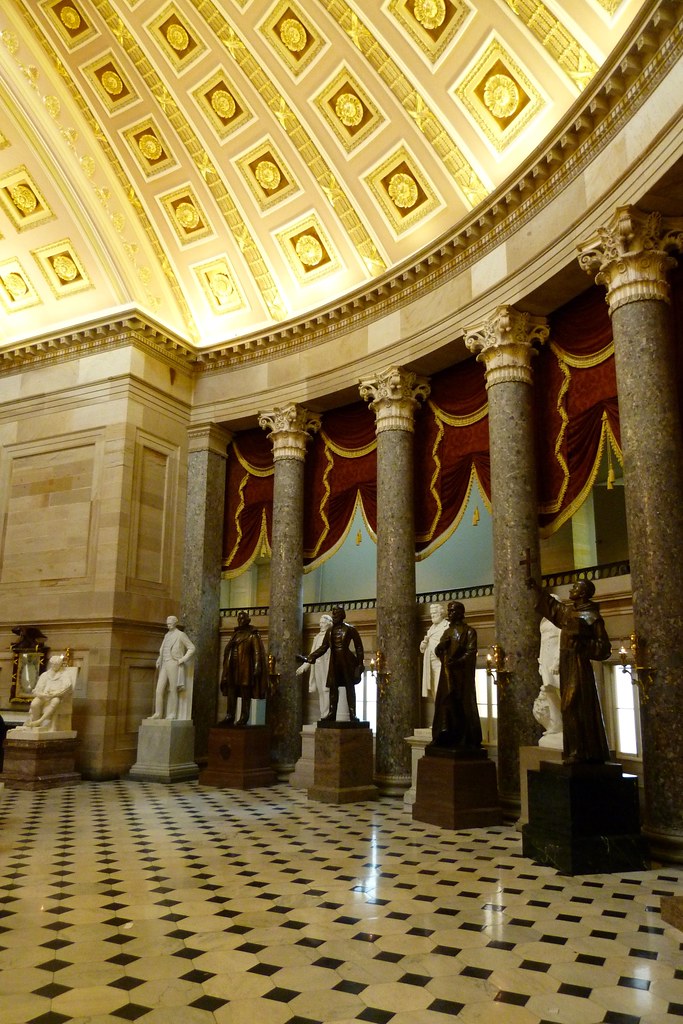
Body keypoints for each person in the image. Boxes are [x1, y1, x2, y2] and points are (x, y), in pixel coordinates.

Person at [527, 577, 611, 763]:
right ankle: (574, 751)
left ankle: (582, 751)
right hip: (567, 664)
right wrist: (536, 589)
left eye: (575, 588)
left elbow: (604, 648)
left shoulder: (592, 616)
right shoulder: (570, 613)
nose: (571, 590)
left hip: (579, 666)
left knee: (573, 704)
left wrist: (582, 645)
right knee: (569, 706)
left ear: (582, 593)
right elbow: (553, 609)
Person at [431, 601, 481, 750]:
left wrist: (457, 662)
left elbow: (471, 653)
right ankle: (445, 734)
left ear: (460, 613)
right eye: (449, 611)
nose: (450, 614)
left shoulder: (469, 632)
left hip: (462, 677)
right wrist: (441, 647)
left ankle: (464, 738)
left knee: (461, 705)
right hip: (447, 675)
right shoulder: (447, 632)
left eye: (452, 611)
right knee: (445, 703)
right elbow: (438, 651)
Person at [305, 606, 364, 722]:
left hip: (347, 661)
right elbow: (324, 647)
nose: (334, 616)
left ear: (342, 616)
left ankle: (352, 713)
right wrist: (311, 656)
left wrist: (360, 663)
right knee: (333, 687)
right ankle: (332, 713)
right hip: (334, 661)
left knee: (349, 687)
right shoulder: (330, 631)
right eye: (333, 614)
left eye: (336, 614)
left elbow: (359, 647)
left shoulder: (351, 629)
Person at [220, 611, 268, 726]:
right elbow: (228, 650)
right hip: (232, 666)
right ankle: (230, 715)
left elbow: (257, 652)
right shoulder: (235, 634)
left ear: (247, 620)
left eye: (242, 619)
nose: (240, 621)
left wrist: (257, 666)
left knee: (245, 691)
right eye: (239, 619)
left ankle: (244, 716)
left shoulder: (252, 634)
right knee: (232, 691)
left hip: (245, 667)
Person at [152, 616, 196, 721]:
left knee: (173, 689)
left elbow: (192, 648)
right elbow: (163, 649)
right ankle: (158, 713)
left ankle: (172, 714)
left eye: (170, 623)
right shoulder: (166, 635)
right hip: (164, 663)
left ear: (175, 623)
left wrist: (182, 660)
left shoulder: (180, 635)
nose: (168, 624)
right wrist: (159, 659)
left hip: (173, 663)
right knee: (159, 690)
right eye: (167, 623)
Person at [533, 611, 563, 746]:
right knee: (549, 691)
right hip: (545, 659)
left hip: (555, 661)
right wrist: (540, 661)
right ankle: (555, 724)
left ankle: (566, 725)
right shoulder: (543, 623)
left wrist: (557, 661)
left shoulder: (562, 621)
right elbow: (542, 643)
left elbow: (562, 643)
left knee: (560, 690)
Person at [296, 613, 333, 718]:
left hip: (328, 664)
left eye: (322, 623)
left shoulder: (331, 635)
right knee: (321, 691)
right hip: (318, 665)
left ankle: (327, 715)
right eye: (320, 623)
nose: (320, 625)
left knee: (327, 689)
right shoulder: (317, 637)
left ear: (328, 624)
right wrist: (305, 666)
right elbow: (313, 653)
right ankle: (323, 715)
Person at [25, 655, 74, 730]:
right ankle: (35, 723)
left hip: (56, 696)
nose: (54, 666)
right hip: (44, 696)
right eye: (53, 664)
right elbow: (37, 689)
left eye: (56, 665)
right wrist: (42, 694)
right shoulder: (45, 675)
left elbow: (67, 687)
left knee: (56, 701)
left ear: (60, 665)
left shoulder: (64, 674)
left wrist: (55, 693)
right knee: (34, 704)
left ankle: (40, 721)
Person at [419, 603, 449, 698]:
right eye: (431, 613)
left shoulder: (447, 626)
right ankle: (438, 710)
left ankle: (441, 711)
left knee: (439, 689)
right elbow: (425, 646)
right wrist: (423, 645)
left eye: (434, 613)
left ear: (441, 613)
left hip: (440, 662)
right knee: (432, 689)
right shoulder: (431, 628)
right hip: (429, 662)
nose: (432, 615)